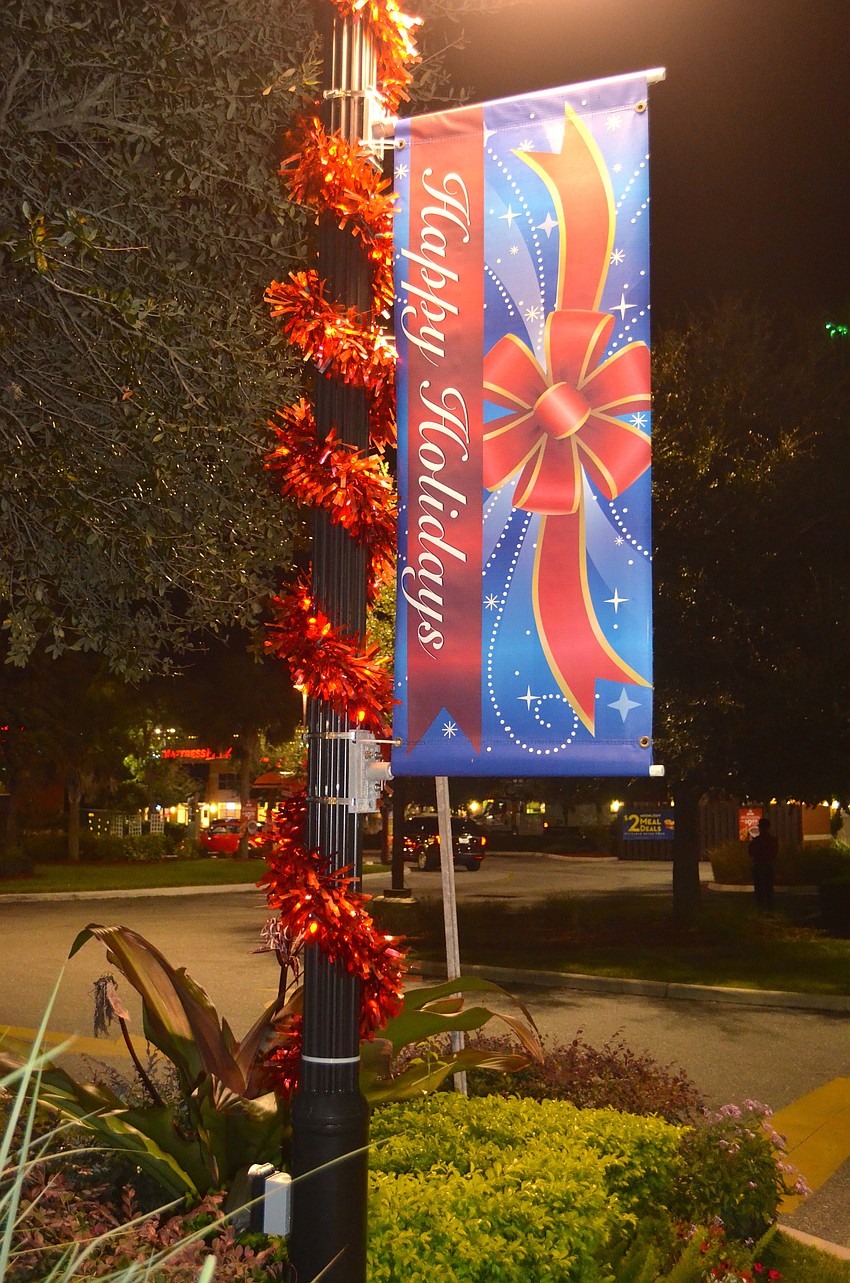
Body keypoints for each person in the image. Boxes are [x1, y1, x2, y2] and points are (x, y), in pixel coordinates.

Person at [749, 815, 778, 909]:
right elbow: (775, 853)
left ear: (759, 827)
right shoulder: (773, 840)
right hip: (769, 866)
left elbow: (751, 853)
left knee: (759, 889)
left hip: (758, 866)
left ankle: (760, 908)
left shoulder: (756, 841)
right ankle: (770, 908)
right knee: (769, 888)